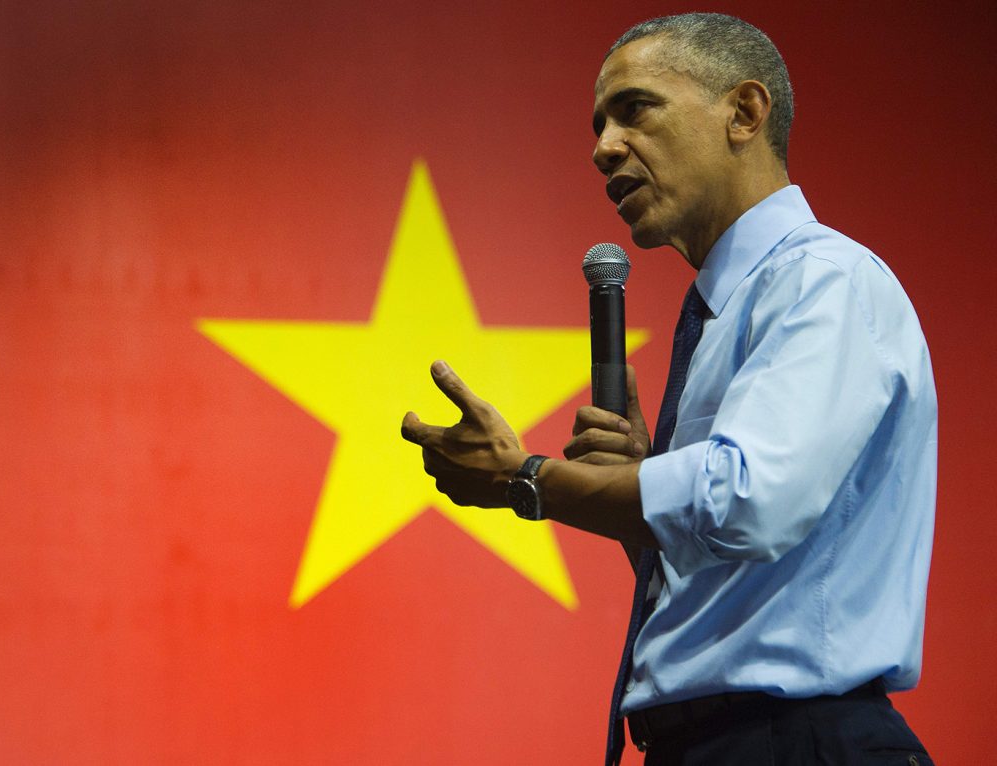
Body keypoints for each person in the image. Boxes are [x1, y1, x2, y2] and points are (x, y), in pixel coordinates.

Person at [401, 12, 936, 766]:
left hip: (797, 743)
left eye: (635, 109)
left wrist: (527, 479)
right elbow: (720, 574)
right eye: (599, 125)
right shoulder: (730, 311)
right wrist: (635, 484)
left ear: (744, 112)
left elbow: (746, 500)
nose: (603, 148)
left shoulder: (824, 280)